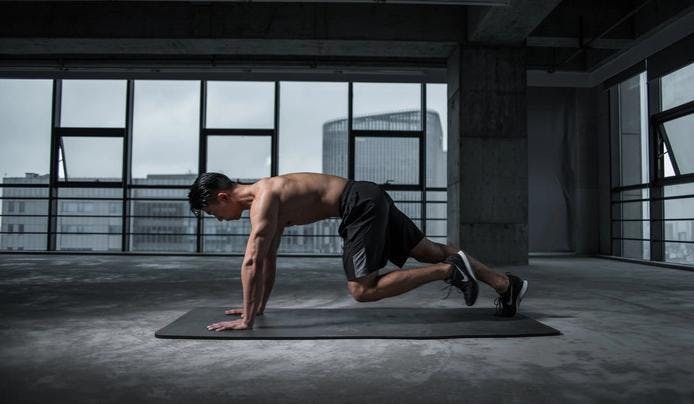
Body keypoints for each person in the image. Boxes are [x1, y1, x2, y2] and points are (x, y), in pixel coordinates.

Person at [187, 172, 528, 331]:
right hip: (367, 195)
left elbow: (251, 261)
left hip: (358, 203)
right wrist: (256, 308)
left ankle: (451, 271)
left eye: (213, 214)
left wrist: (246, 321)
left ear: (222, 198)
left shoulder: (263, 200)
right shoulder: (267, 196)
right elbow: (267, 259)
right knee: (428, 250)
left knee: (362, 290)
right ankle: (505, 284)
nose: (219, 220)